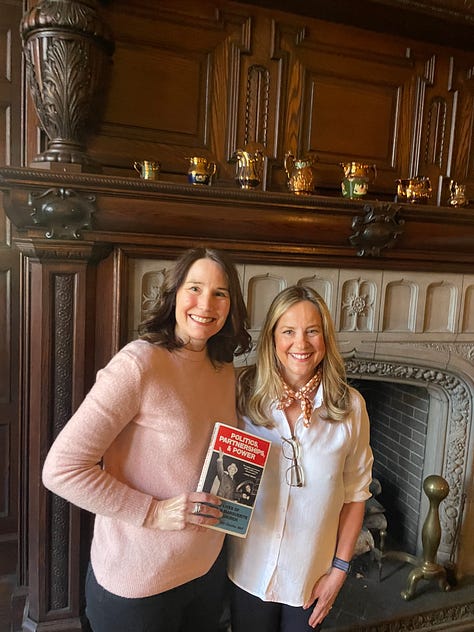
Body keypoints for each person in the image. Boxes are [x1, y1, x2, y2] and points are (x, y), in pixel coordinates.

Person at [42, 247, 252, 632]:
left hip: (206, 573)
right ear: (173, 294)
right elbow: (61, 470)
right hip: (138, 585)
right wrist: (153, 512)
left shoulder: (224, 370)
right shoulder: (139, 364)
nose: (206, 303)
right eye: (195, 288)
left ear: (231, 305)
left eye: (221, 293)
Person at [228, 285, 373, 631]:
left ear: (325, 338)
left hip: (310, 577)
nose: (301, 344)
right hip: (247, 570)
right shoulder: (241, 393)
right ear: (272, 338)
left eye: (312, 331)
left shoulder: (350, 407)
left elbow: (356, 493)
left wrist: (339, 570)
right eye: (288, 331)